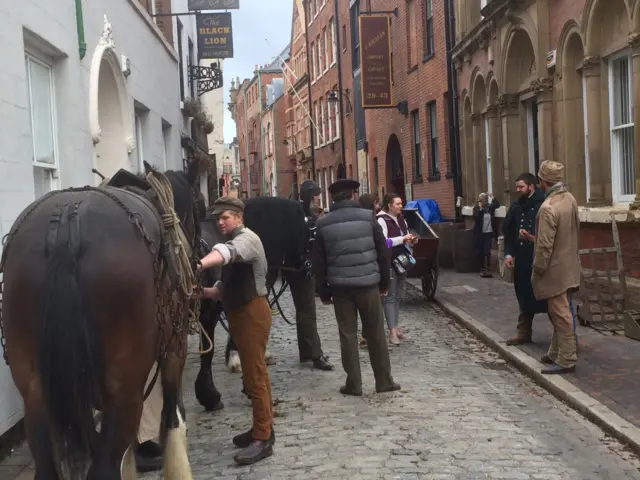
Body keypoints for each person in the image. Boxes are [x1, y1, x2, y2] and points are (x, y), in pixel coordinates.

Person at [198, 196, 274, 465]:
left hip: (252, 311)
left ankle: (263, 438)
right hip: (240, 313)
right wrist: (196, 293)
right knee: (252, 376)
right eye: (218, 218)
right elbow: (220, 290)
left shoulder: (247, 239)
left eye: (225, 217)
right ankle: (259, 428)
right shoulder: (235, 242)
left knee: (255, 375)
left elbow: (226, 253)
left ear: (239, 218)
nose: (220, 222)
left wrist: (199, 264)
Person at [313, 178, 401, 396]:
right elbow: (383, 252)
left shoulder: (323, 223)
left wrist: (323, 291)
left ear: (333, 198)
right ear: (353, 195)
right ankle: (384, 381)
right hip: (368, 284)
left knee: (348, 335)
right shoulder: (367, 218)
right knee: (376, 333)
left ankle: (354, 383)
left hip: (341, 288)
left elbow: (319, 262)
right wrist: (383, 282)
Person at [531, 160, 580, 375]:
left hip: (555, 268)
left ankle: (567, 358)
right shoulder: (570, 199)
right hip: (570, 263)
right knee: (560, 309)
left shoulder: (548, 208)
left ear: (542, 181)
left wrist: (538, 269)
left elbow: (544, 246)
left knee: (560, 312)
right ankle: (556, 351)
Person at [503, 173, 548, 346]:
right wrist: (508, 254)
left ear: (531, 186)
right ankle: (523, 332)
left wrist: (531, 237)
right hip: (521, 261)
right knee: (523, 296)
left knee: (548, 299)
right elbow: (508, 233)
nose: (518, 190)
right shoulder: (516, 206)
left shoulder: (543, 205)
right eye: (516, 187)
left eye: (521, 186)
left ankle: (563, 339)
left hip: (539, 259)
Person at [377, 194, 418, 345]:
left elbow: (405, 236)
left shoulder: (401, 219)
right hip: (389, 262)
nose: (401, 206)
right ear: (389, 205)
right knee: (390, 297)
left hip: (402, 261)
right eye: (398, 204)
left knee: (398, 295)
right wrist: (403, 239)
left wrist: (411, 239)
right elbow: (384, 242)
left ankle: (395, 326)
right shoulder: (381, 220)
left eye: (401, 204)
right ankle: (391, 331)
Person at [473, 193, 500, 277]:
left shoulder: (489, 207)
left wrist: (493, 197)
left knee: (487, 251)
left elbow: (497, 205)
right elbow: (476, 219)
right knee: (480, 251)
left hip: (488, 232)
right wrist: (481, 209)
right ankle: (482, 268)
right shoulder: (476, 208)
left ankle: (488, 268)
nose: (483, 201)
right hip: (480, 233)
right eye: (482, 199)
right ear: (479, 200)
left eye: (485, 199)